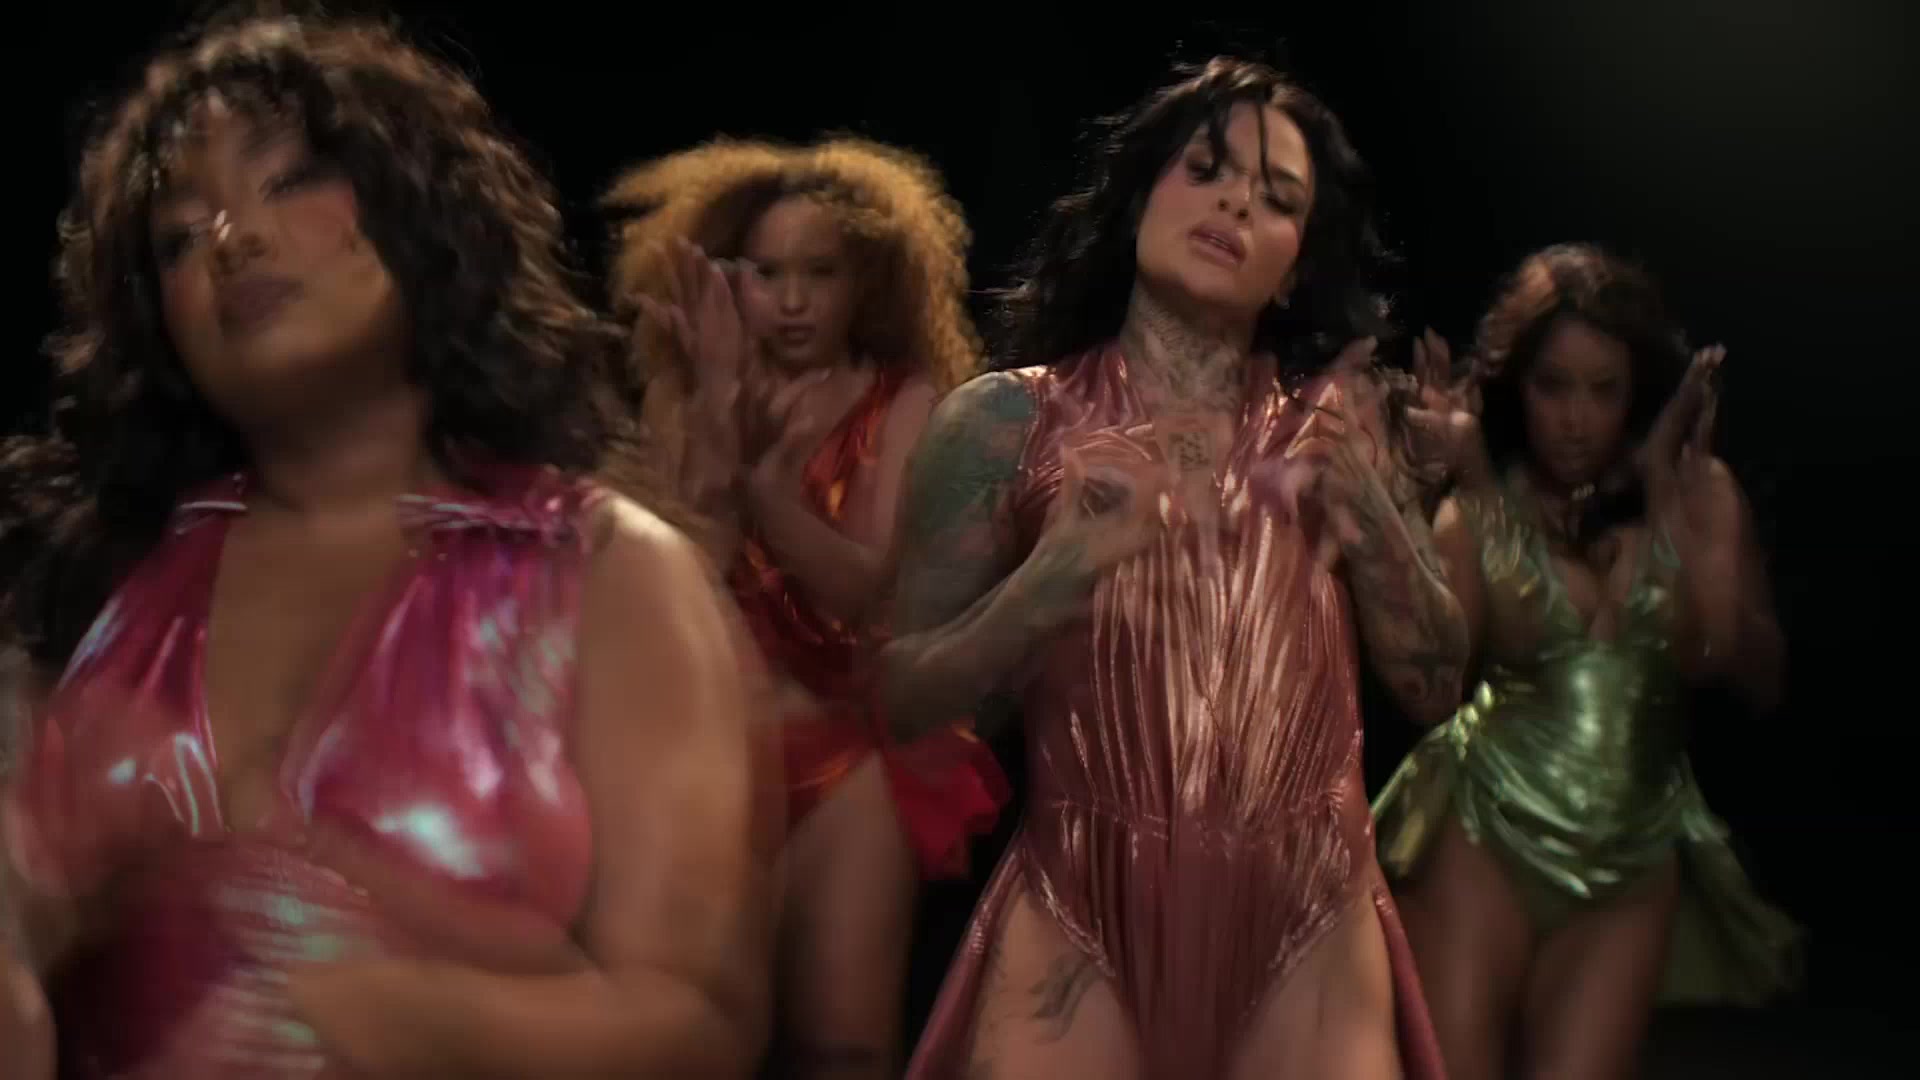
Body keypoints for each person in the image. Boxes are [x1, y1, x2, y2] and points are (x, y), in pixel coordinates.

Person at [0, 15, 779, 1078]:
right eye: (179, 235)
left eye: (289, 180)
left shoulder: (609, 571)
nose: (233, 238)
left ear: (418, 211)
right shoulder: (102, 591)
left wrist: (372, 1010)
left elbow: (701, 1030)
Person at [879, 57, 1464, 1079]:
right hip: (1078, 906)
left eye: (1278, 198)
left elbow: (1437, 686)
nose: (1237, 201)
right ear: (1137, 199)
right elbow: (901, 701)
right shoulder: (1004, 421)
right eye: (1207, 169)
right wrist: (1047, 583)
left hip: (1311, 915)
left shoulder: (1344, 434)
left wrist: (1372, 511)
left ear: (1294, 266)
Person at [602, 138, 1007, 1078]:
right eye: (766, 273)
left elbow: (868, 591)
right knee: (699, 1039)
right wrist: (715, 424)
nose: (792, 300)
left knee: (844, 1044)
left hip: (848, 754)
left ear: (867, 280)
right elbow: (674, 584)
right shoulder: (682, 396)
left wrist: (766, 491)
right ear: (724, 278)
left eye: (819, 273)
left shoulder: (906, 403)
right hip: (708, 755)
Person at [1371, 244, 1802, 1080]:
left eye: (1603, 390)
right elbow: (1428, 687)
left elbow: (1748, 675)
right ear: (1517, 385)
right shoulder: (1475, 508)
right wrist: (1416, 496)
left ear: (1639, 389)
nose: (1576, 418)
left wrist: (1680, 508)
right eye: (1553, 386)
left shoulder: (1698, 495)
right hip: (1483, 831)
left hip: (1632, 857)